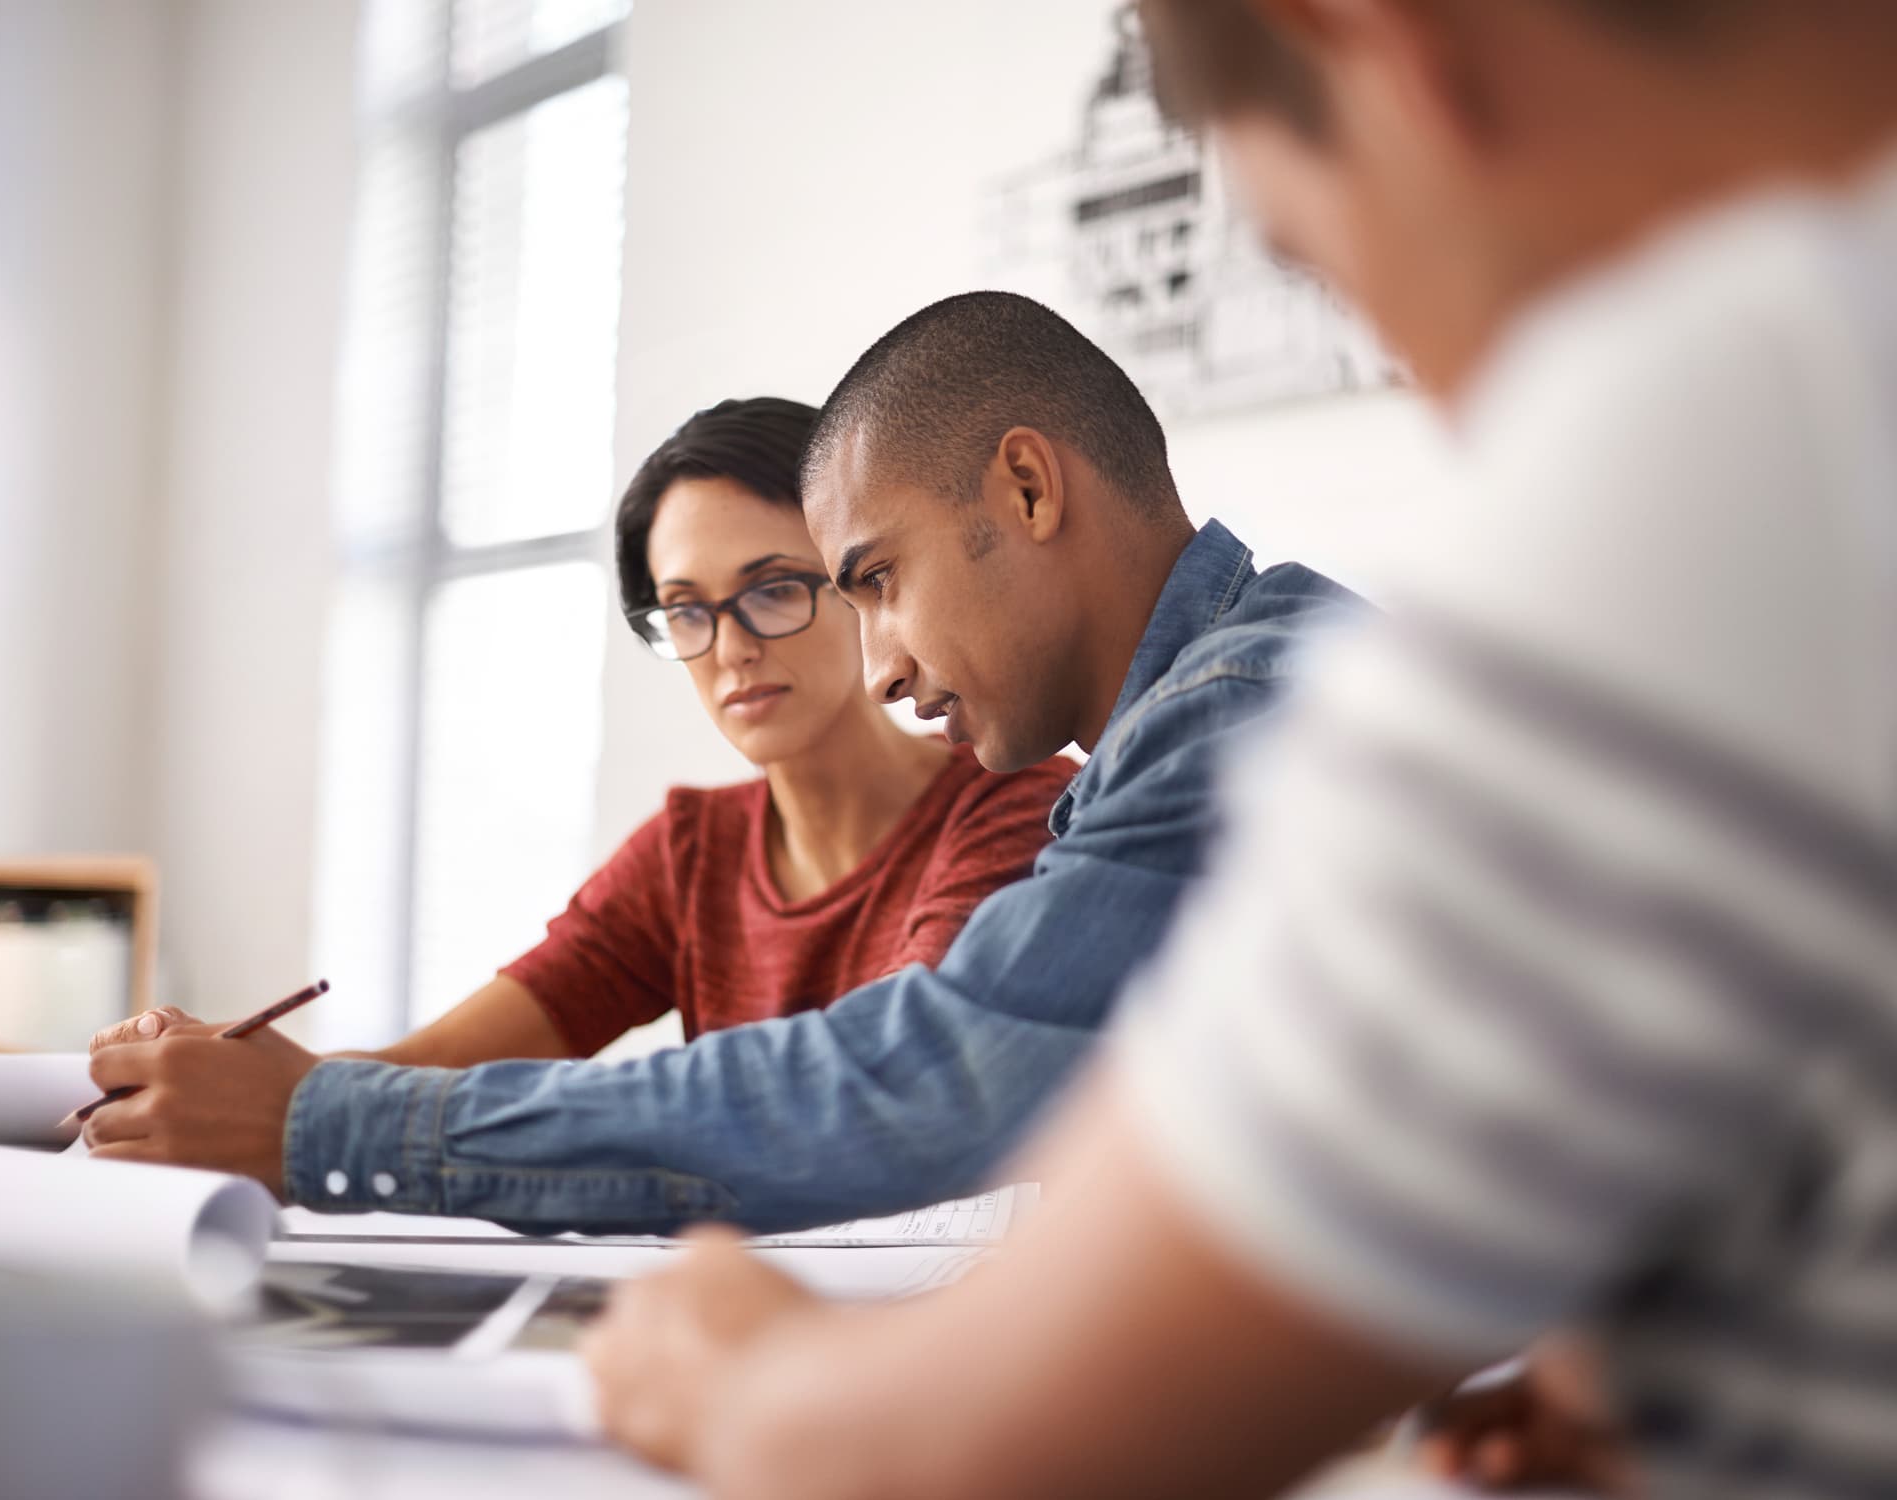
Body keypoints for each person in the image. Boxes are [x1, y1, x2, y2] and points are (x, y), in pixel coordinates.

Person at [580, 2, 1897, 1497]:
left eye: (1308, 254)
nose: (1402, 366)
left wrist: (740, 1382)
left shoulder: (1740, 413)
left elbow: (967, 1435)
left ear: (1391, 49)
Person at [81, 293, 1360, 1234]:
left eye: (868, 581)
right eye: (681, 610)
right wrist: (251, 1094)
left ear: (1026, 488)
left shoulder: (1237, 714)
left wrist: (319, 1125)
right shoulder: (1209, 713)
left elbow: (924, 1084)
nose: (877, 668)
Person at [94, 396, 1073, 1074]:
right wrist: (250, 1071)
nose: (727, 647)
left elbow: (862, 1085)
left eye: (771, 590)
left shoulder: (1017, 808)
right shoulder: (691, 855)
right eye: (684, 609)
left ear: (861, 578)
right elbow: (427, 1070)